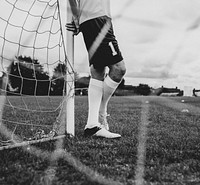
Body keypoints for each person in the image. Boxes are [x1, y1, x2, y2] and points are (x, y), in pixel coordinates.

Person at [66, 0, 126, 138]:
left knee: (98, 70)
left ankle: (93, 125)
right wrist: (76, 16)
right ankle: (99, 114)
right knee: (118, 69)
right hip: (94, 17)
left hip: (100, 17)